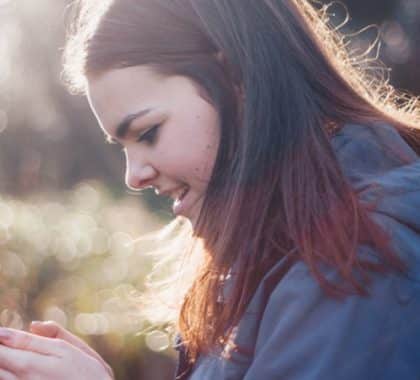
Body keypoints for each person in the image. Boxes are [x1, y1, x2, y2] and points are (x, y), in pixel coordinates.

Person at [0, 0, 419, 379]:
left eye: (147, 134)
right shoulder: (272, 246)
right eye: (122, 146)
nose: (133, 176)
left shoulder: (360, 257)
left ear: (236, 78)